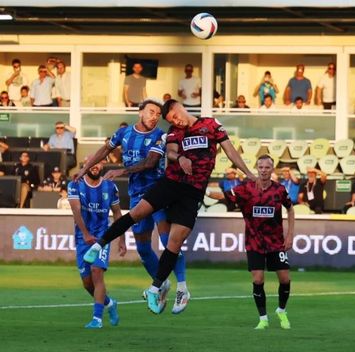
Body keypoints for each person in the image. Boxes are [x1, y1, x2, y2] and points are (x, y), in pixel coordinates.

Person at [80, 99, 258, 315]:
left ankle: (176, 287)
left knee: (171, 241)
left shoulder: (210, 125)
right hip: (167, 185)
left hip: (187, 191)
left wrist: (247, 173)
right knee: (141, 238)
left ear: (180, 107)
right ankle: (104, 248)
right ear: (140, 112)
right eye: (167, 118)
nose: (175, 121)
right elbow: (171, 152)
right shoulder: (171, 132)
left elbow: (230, 152)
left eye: (170, 115)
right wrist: (180, 157)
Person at [76, 100, 190, 314]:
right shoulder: (124, 133)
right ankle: (162, 283)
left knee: (168, 241)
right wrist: (86, 168)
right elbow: (104, 150)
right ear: (140, 113)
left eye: (158, 113)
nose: (155, 116)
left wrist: (121, 170)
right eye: (151, 112)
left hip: (158, 193)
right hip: (137, 195)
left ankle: (182, 287)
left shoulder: (160, 136)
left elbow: (150, 163)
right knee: (143, 248)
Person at [222, 155, 294, 329]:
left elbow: (290, 209)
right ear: (256, 168)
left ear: (272, 169)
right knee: (258, 279)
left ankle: (281, 311)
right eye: (260, 167)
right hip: (254, 242)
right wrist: (200, 190)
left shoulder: (279, 190)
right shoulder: (246, 188)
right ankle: (263, 319)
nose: (263, 170)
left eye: (267, 167)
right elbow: (224, 196)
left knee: (285, 279)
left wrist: (290, 234)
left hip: (276, 242)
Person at [68, 160, 125, 328]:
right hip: (82, 238)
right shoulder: (75, 184)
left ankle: (97, 319)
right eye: (92, 163)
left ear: (103, 166)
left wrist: (122, 238)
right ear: (86, 165)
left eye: (99, 164)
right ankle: (109, 303)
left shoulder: (110, 187)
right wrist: (85, 234)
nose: (96, 166)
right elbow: (76, 210)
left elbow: (117, 213)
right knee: (87, 283)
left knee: (96, 271)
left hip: (102, 237)